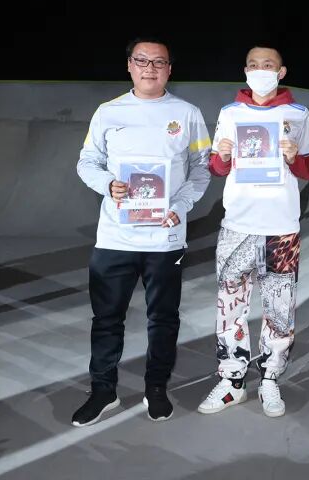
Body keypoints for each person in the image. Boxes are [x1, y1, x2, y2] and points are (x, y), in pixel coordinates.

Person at [72, 37, 211, 426]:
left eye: (159, 62)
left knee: (163, 318)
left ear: (170, 69)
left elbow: (202, 167)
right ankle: (103, 390)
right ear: (129, 66)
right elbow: (86, 162)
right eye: (142, 60)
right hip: (115, 238)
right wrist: (107, 184)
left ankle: (156, 387)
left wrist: (180, 206)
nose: (150, 68)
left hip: (165, 239)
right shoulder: (108, 112)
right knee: (106, 318)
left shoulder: (188, 114)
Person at [197, 45, 309, 418]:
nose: (259, 70)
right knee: (230, 306)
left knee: (279, 309)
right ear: (245, 70)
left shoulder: (298, 114)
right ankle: (232, 381)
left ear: (281, 72)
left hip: (281, 228)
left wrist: (294, 157)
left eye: (267, 65)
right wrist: (223, 156)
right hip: (238, 225)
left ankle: (269, 378)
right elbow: (217, 167)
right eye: (252, 65)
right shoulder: (230, 113)